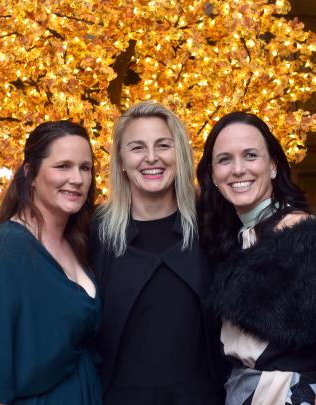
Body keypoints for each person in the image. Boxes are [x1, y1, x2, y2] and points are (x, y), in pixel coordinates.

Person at [90, 101, 226, 405]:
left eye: (163, 145)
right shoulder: (94, 231)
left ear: (179, 154)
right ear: (121, 160)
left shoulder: (212, 224)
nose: (152, 158)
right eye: (137, 148)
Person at [0, 121, 102, 405]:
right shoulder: (4, 253)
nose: (77, 179)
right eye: (62, 166)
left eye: (85, 167)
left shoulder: (78, 242)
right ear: (30, 174)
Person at [196, 111, 316, 405]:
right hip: (243, 391)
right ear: (213, 174)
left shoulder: (304, 238)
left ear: (273, 166)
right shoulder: (234, 239)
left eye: (251, 155)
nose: (238, 169)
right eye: (224, 159)